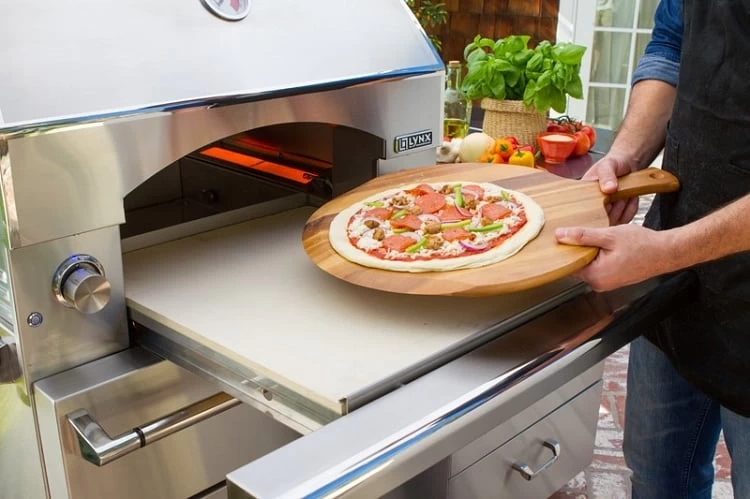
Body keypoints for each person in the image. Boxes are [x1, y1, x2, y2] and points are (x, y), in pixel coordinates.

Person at [554, 1, 750, 497]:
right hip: (677, 277)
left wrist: (663, 252)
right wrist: (627, 155)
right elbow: (671, 45)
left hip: (682, 260)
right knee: (657, 475)